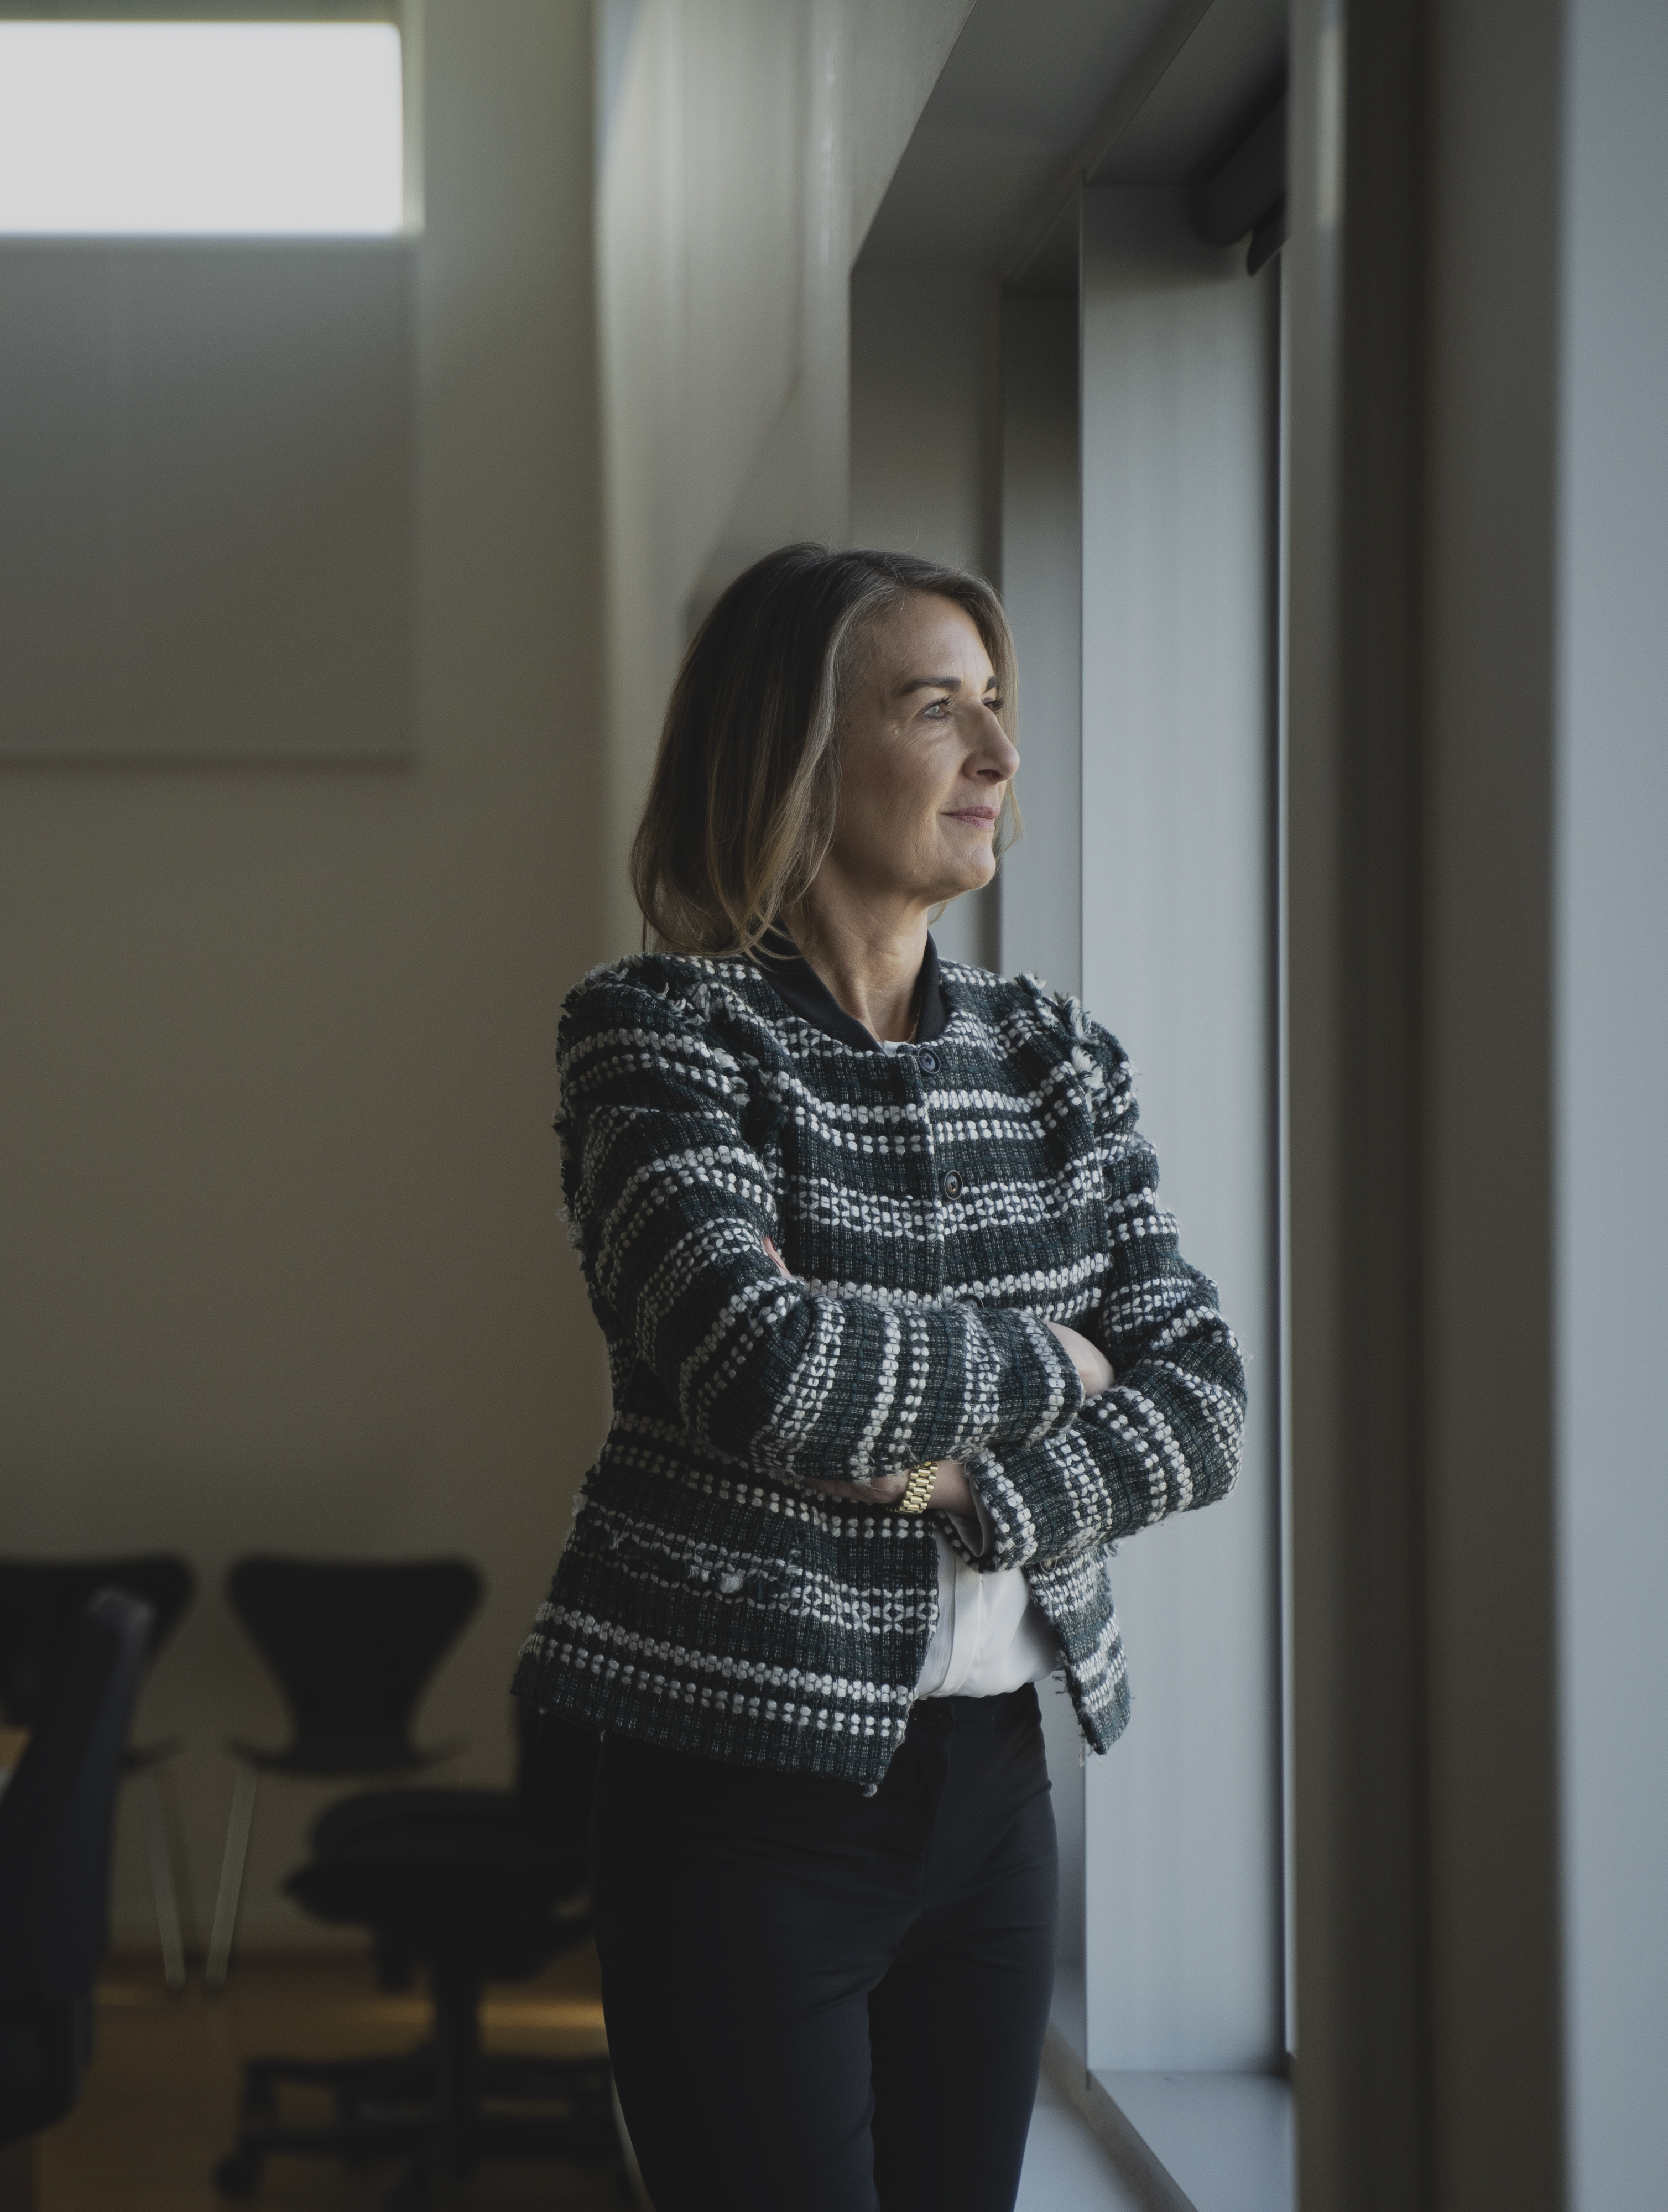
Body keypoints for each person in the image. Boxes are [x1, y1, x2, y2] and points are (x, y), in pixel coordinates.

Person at [512, 544, 1247, 2210]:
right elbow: (762, 1367)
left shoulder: (1056, 1056)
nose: (996, 756)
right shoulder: (659, 1035)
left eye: (998, 706)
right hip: (738, 1795)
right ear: (794, 754)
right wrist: (1061, 1356)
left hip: (994, 1801)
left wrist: (966, 1484)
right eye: (938, 708)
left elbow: (1202, 1391)